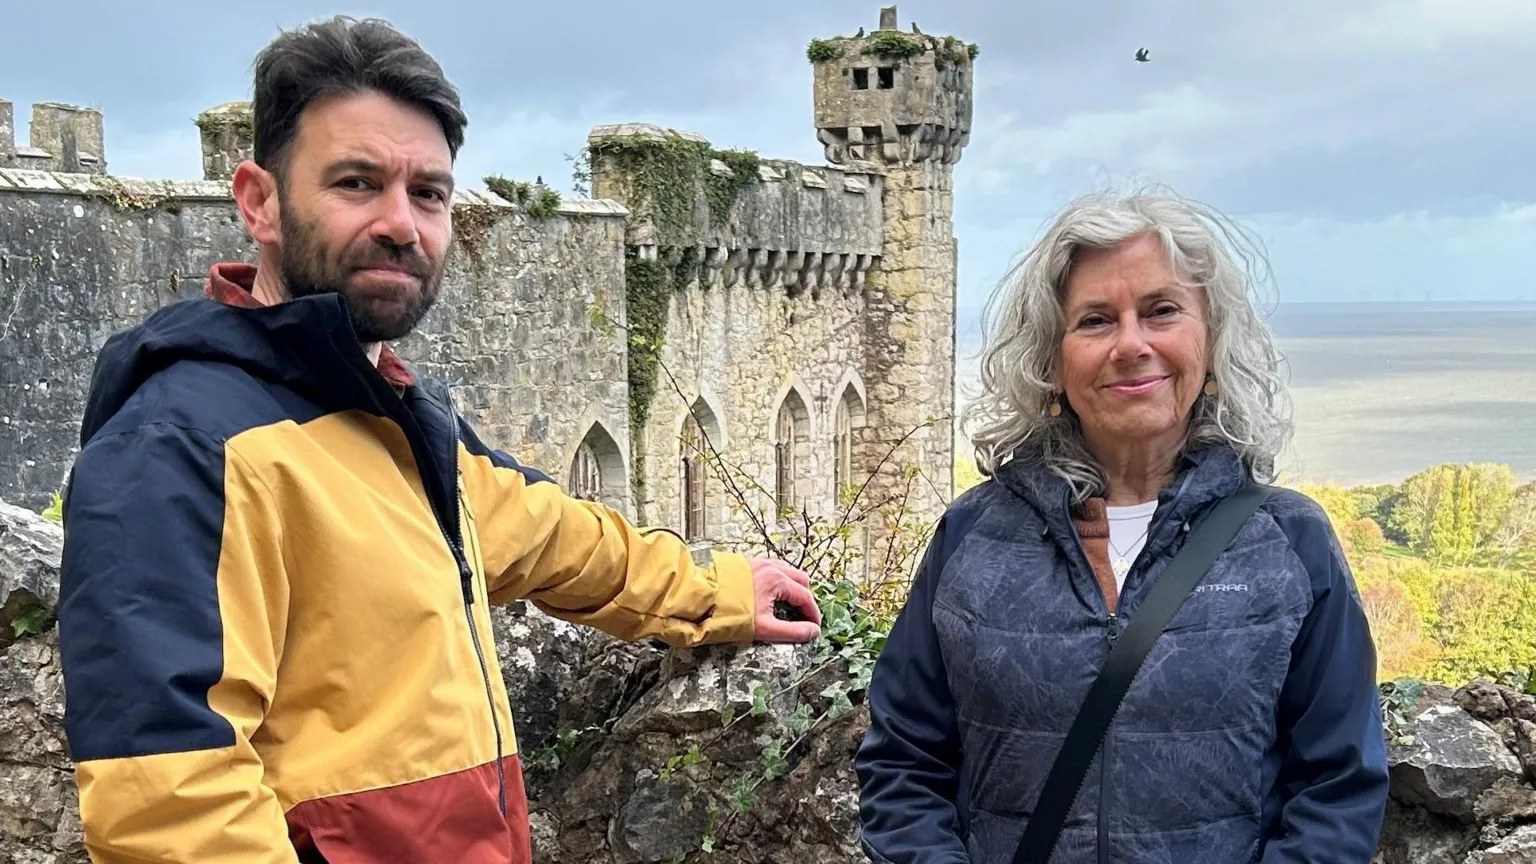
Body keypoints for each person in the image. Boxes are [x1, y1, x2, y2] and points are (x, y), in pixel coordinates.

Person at [55, 16, 821, 864]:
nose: (400, 223)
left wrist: (715, 590)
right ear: (259, 200)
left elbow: (552, 538)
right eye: (356, 183)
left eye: (428, 193)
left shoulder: (386, 420)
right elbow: (169, 803)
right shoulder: (181, 447)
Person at [854, 188, 1389, 863]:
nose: (1132, 345)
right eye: (1096, 321)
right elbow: (904, 763)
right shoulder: (973, 537)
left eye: (1162, 311)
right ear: (1052, 363)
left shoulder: (1289, 543)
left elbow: (1337, 788)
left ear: (1213, 342)